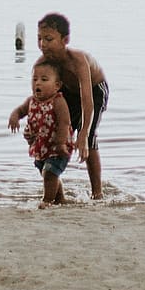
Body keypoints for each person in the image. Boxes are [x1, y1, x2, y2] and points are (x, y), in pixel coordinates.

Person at [35, 13, 109, 201]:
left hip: (94, 90)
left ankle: (97, 193)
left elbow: (87, 100)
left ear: (64, 40)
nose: (43, 44)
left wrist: (83, 134)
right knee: (51, 136)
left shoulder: (77, 60)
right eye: (40, 39)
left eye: (49, 39)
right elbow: (40, 96)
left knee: (89, 137)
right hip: (67, 92)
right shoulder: (43, 63)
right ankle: (57, 192)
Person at [7, 57, 74, 207]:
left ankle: (47, 201)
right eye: (35, 79)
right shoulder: (31, 101)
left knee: (50, 173)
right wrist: (14, 117)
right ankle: (60, 199)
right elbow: (20, 110)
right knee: (47, 172)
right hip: (41, 146)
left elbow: (65, 122)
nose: (38, 83)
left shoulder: (58, 101)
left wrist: (61, 143)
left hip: (58, 146)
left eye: (44, 79)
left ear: (57, 85)